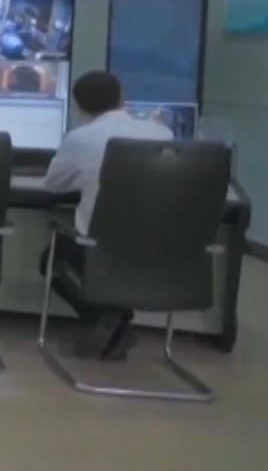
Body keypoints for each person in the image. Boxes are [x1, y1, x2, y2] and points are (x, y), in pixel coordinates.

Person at [43, 70, 172, 360]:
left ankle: (111, 317)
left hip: (98, 248)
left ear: (79, 107)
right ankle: (115, 319)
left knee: (51, 261)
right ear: (121, 98)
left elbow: (53, 185)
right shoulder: (163, 134)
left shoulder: (80, 138)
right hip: (159, 248)